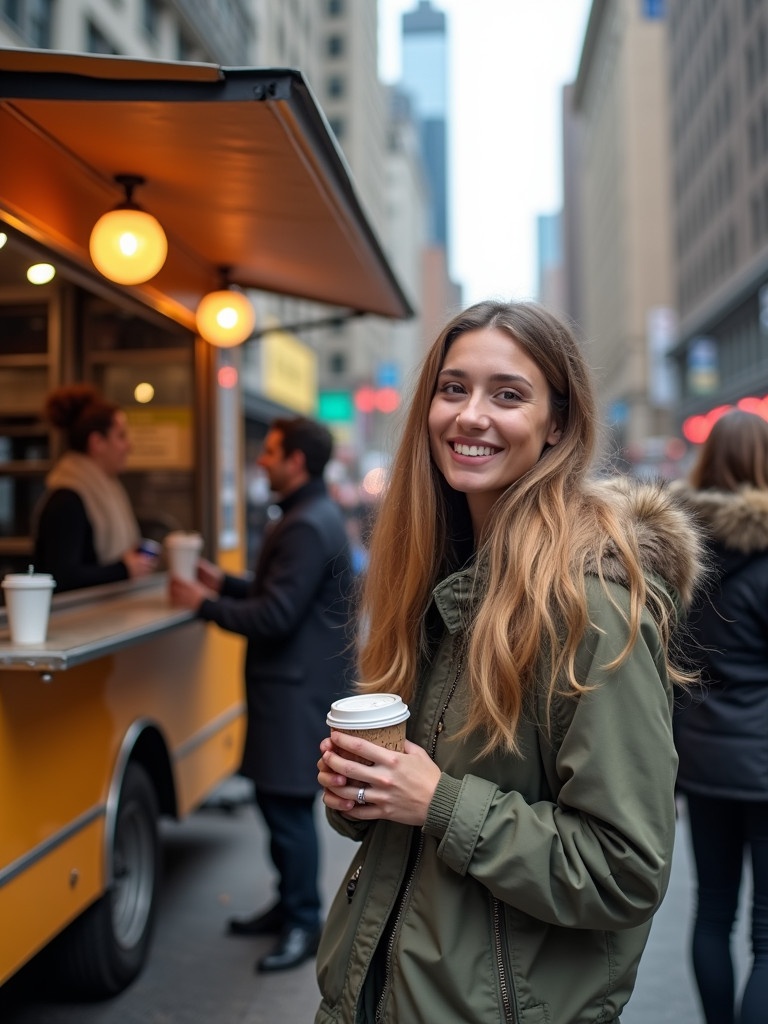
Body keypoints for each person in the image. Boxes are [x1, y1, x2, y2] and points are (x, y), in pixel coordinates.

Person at [315, 300, 704, 1024]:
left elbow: (624, 870)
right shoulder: (434, 575)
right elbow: (416, 816)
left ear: (557, 424)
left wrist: (437, 801)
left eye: (508, 394)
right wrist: (363, 795)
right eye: (453, 388)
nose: (469, 415)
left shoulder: (590, 607)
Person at [170, 416, 355, 973]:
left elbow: (275, 614)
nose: (262, 461)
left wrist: (199, 605)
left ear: (296, 460)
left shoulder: (303, 523)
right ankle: (289, 907)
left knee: (287, 810)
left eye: (271, 452)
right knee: (280, 807)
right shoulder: (312, 514)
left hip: (294, 695)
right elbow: (279, 591)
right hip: (296, 690)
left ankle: (302, 921)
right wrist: (221, 583)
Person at [672, 409, 768, 1024]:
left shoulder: (683, 554)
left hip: (701, 756)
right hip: (763, 762)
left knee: (712, 912)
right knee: (767, 934)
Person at [33, 383, 157, 592]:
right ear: (97, 442)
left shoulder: (105, 488)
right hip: (76, 620)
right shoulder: (67, 499)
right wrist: (123, 569)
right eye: (121, 436)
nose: (129, 446)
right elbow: (61, 576)